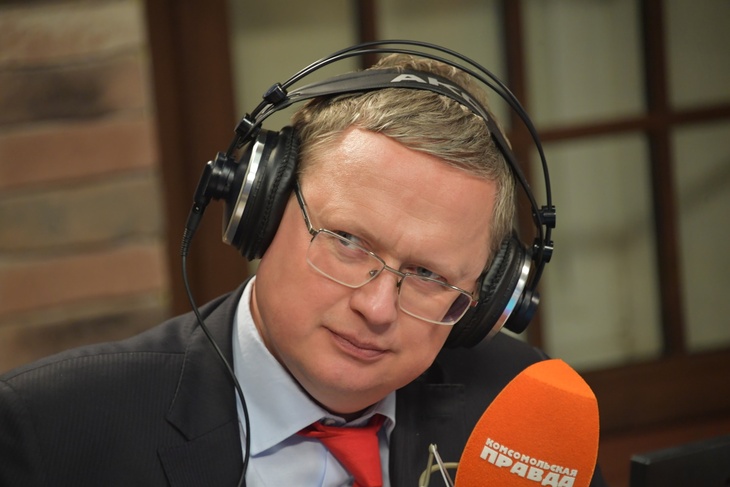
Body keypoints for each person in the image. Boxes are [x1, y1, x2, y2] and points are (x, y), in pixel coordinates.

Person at [0, 43, 607, 486]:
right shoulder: (52, 430)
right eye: (347, 241)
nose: (376, 308)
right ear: (260, 209)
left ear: (486, 299)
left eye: (428, 275)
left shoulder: (525, 412)